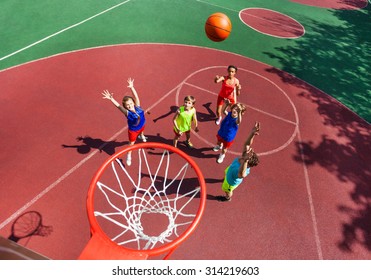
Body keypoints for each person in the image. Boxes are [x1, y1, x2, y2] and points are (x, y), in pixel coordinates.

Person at [101, 78, 147, 166]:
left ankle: (141, 136)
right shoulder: (127, 113)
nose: (129, 105)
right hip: (133, 130)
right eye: (127, 105)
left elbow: (136, 97)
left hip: (142, 124)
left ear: (133, 102)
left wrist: (132, 87)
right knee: (131, 144)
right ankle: (129, 155)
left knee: (142, 131)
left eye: (130, 103)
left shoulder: (138, 106)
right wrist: (111, 99)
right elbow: (118, 106)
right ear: (125, 107)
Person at [218, 122, 260, 202]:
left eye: (249, 153)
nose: (248, 150)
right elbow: (247, 144)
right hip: (230, 171)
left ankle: (228, 197)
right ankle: (225, 178)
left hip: (230, 183)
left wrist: (245, 160)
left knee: (227, 190)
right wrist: (252, 134)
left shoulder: (242, 169)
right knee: (226, 173)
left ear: (247, 160)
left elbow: (242, 174)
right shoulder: (243, 156)